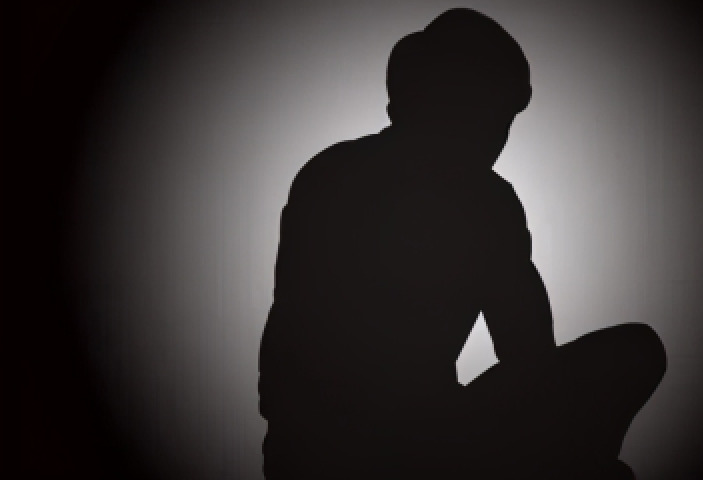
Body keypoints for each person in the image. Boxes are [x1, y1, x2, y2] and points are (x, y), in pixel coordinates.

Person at [258, 8, 666, 480]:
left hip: (413, 433)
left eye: (506, 118)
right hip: (358, 447)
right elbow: (528, 356)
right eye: (492, 112)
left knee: (633, 354)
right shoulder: (353, 180)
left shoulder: (479, 200)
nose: (499, 135)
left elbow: (528, 354)